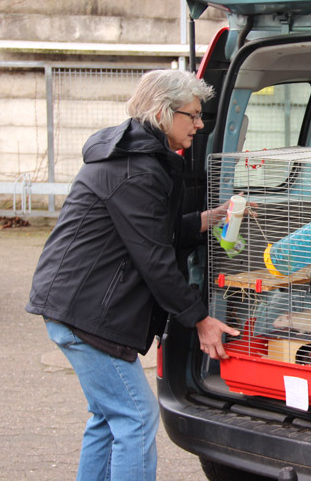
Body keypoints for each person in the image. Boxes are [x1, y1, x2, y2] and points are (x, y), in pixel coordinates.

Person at [27, 69, 239, 480]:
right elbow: (153, 256)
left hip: (74, 305)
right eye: (192, 115)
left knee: (108, 419)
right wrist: (199, 318)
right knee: (136, 418)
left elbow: (149, 230)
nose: (199, 124)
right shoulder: (136, 169)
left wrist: (206, 220)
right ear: (163, 113)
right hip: (85, 313)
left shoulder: (140, 158)